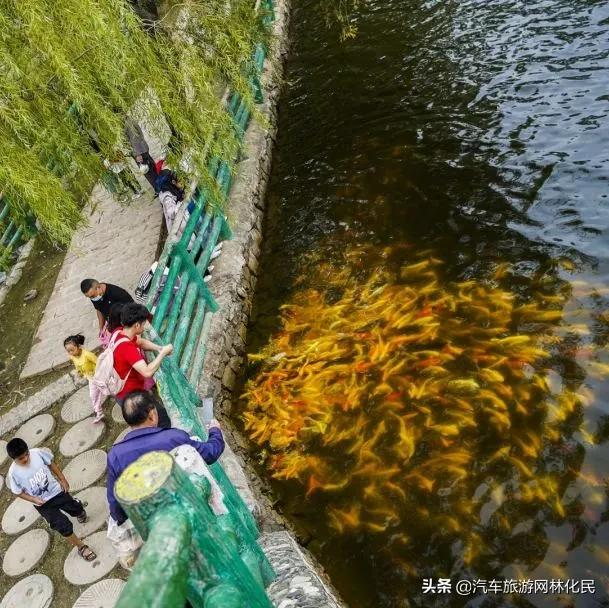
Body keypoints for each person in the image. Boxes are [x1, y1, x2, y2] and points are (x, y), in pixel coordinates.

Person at [106, 391, 225, 525]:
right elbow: (210, 454)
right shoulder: (173, 437)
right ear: (152, 415)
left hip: (154, 524)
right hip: (189, 510)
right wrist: (215, 431)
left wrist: (123, 520)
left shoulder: (115, 455)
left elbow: (115, 502)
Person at [6, 438, 97, 561]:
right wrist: (33, 499)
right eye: (21, 458)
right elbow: (18, 492)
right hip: (42, 504)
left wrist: (62, 479)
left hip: (57, 491)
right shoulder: (13, 473)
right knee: (61, 525)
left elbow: (51, 463)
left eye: (26, 454)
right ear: (14, 459)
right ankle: (81, 547)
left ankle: (79, 509)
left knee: (74, 508)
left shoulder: (37, 453)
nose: (26, 459)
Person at [113, 303, 173, 427]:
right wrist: (163, 354)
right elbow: (147, 372)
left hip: (125, 392)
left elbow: (139, 342)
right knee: (161, 419)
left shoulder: (121, 333)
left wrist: (159, 348)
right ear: (137, 325)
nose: (144, 326)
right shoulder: (127, 348)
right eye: (144, 323)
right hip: (132, 398)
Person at [80, 279, 134, 348]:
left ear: (98, 287)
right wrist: (101, 328)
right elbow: (99, 310)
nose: (92, 298)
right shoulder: (95, 296)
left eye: (92, 296)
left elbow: (133, 310)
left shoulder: (116, 293)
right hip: (113, 324)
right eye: (89, 297)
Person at [63, 334, 104, 423]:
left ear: (78, 346)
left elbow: (99, 362)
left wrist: (102, 373)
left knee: (109, 390)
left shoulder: (88, 355)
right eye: (68, 351)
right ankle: (99, 412)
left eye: (72, 350)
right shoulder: (73, 356)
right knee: (93, 395)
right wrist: (80, 373)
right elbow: (77, 365)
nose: (70, 353)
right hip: (91, 379)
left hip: (100, 376)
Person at [125, 117, 157, 187]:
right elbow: (140, 133)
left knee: (146, 170)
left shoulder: (124, 125)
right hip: (143, 147)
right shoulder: (131, 119)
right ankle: (160, 183)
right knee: (151, 165)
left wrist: (137, 154)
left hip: (138, 151)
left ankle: (157, 187)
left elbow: (130, 141)